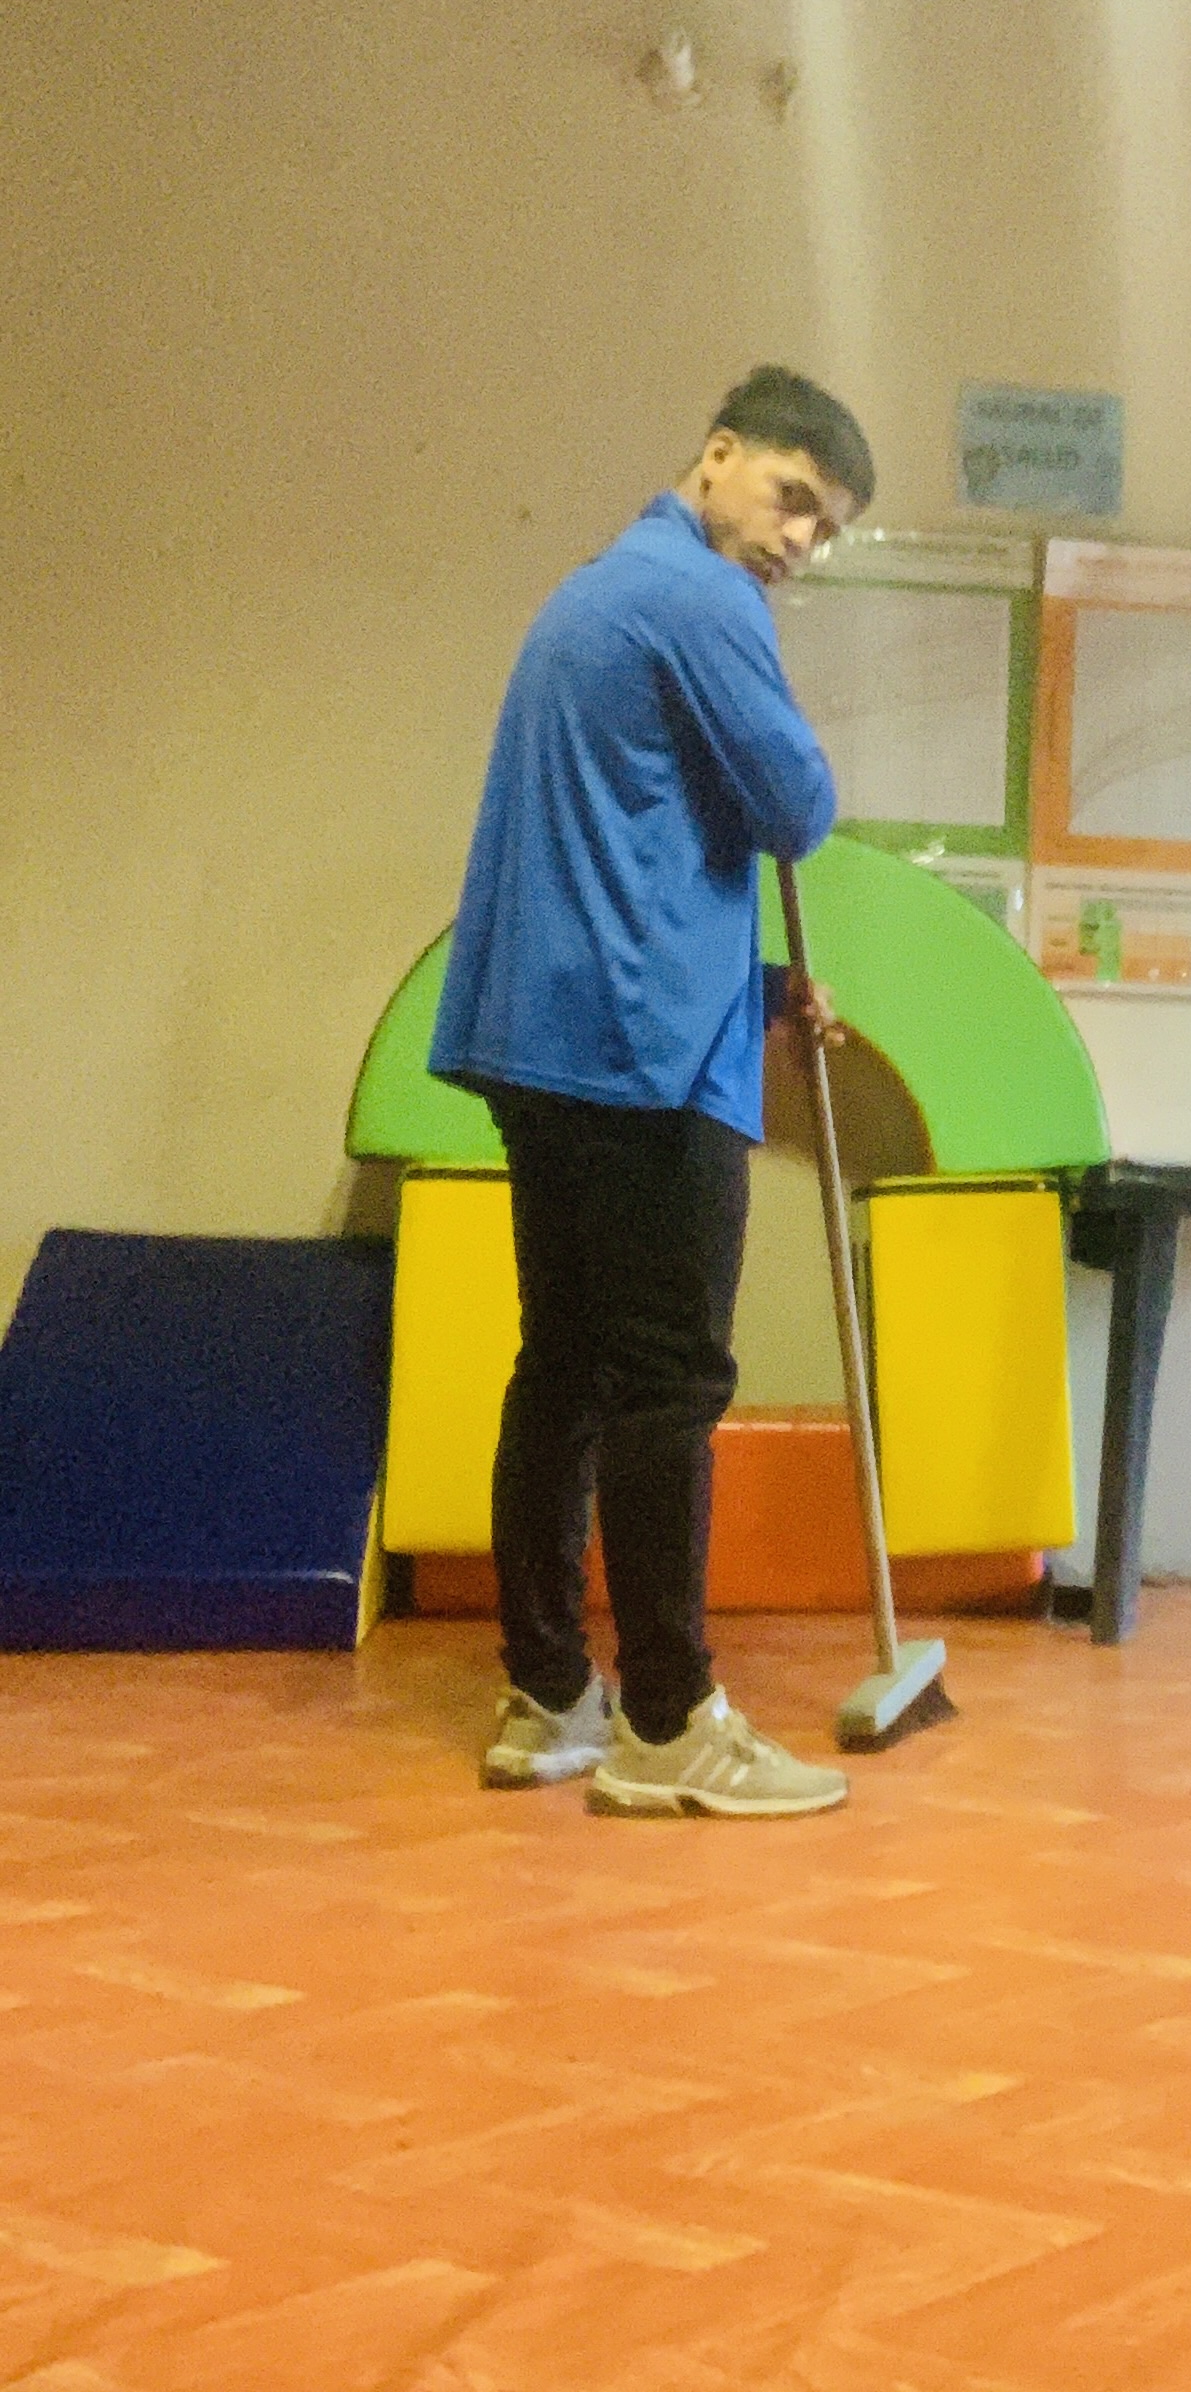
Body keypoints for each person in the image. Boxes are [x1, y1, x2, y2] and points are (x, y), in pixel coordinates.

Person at [430, 365, 873, 1820]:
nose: (798, 540)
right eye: (793, 499)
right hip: (639, 1059)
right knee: (670, 1382)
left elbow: (624, 849)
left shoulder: (592, 593)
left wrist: (756, 986)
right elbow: (797, 807)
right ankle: (670, 1723)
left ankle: (550, 1694)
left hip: (546, 1038)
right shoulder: (701, 599)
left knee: (562, 1366)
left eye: (825, 529)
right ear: (719, 452)